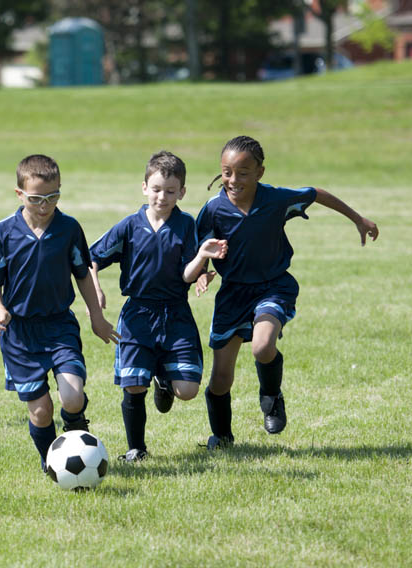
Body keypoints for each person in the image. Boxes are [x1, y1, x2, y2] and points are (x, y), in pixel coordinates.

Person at [195, 135, 379, 449]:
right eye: (227, 172)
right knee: (220, 379)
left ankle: (271, 396)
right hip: (233, 295)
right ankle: (222, 437)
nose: (233, 179)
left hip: (273, 287)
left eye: (243, 172)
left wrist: (357, 219)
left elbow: (316, 193)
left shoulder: (276, 200)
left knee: (263, 346)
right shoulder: (213, 210)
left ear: (260, 173)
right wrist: (203, 272)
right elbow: (201, 249)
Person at [0, 154, 119, 471]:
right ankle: (51, 461)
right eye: (36, 198)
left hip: (59, 327)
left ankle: (75, 425)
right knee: (40, 411)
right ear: (19, 194)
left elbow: (82, 273)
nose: (45, 205)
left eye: (53, 197)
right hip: (20, 335)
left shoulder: (68, 229)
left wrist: (96, 316)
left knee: (72, 395)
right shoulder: (3, 233)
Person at [89, 151, 227, 462]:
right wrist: (96, 291)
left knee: (188, 390)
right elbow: (90, 259)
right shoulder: (128, 226)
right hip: (138, 314)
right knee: (134, 384)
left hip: (175, 313)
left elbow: (187, 275)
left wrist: (203, 257)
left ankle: (164, 378)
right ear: (144, 187)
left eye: (169, 191)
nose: (162, 197)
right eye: (156, 189)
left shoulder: (185, 225)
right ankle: (136, 448)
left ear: (182, 192)